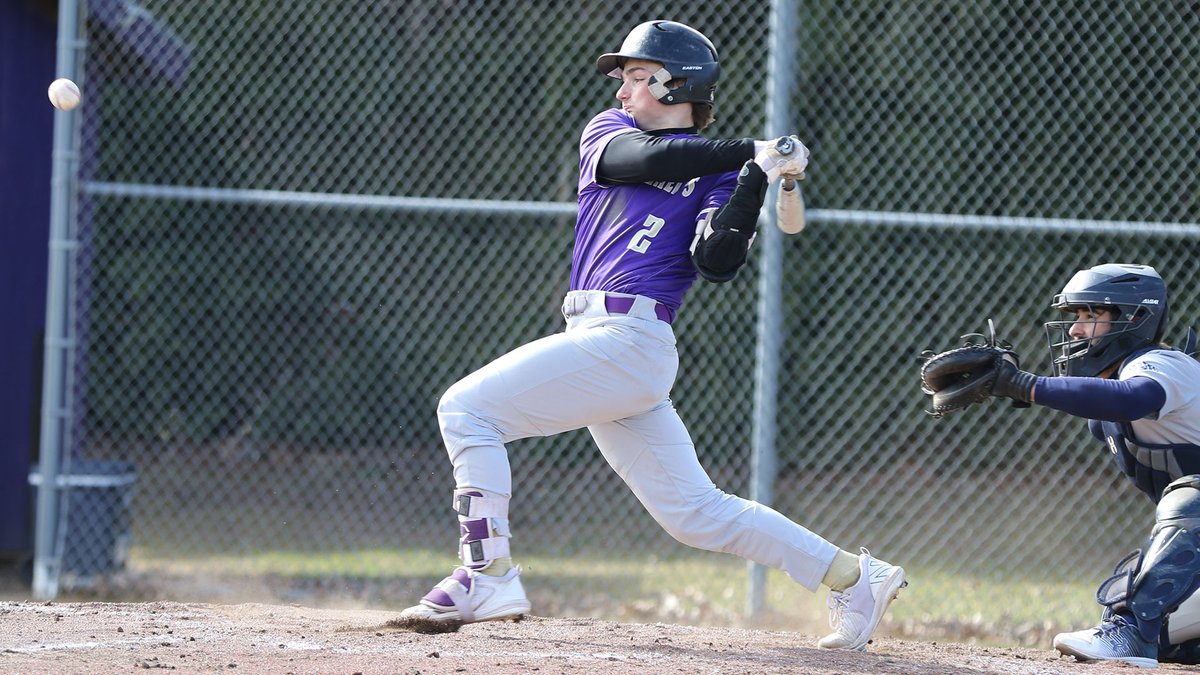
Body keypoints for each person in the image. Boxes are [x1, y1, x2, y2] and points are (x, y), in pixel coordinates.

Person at [396, 20, 907, 650]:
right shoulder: (610, 134)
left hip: (631, 338)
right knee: (694, 514)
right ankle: (856, 578)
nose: (623, 92)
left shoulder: (724, 175)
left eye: (640, 78)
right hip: (603, 339)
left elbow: (717, 261)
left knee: (466, 409)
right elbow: (638, 162)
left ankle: (487, 573)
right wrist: (752, 150)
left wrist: (753, 179)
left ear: (678, 85)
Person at [940, 263, 1200, 667]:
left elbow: (1131, 397)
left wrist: (1025, 385)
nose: (1076, 329)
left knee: (1193, 499)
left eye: (1092, 315)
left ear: (1136, 319)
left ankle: (1129, 629)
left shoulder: (1164, 366)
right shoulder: (1108, 412)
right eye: (1076, 316)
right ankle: (1141, 631)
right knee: (1169, 639)